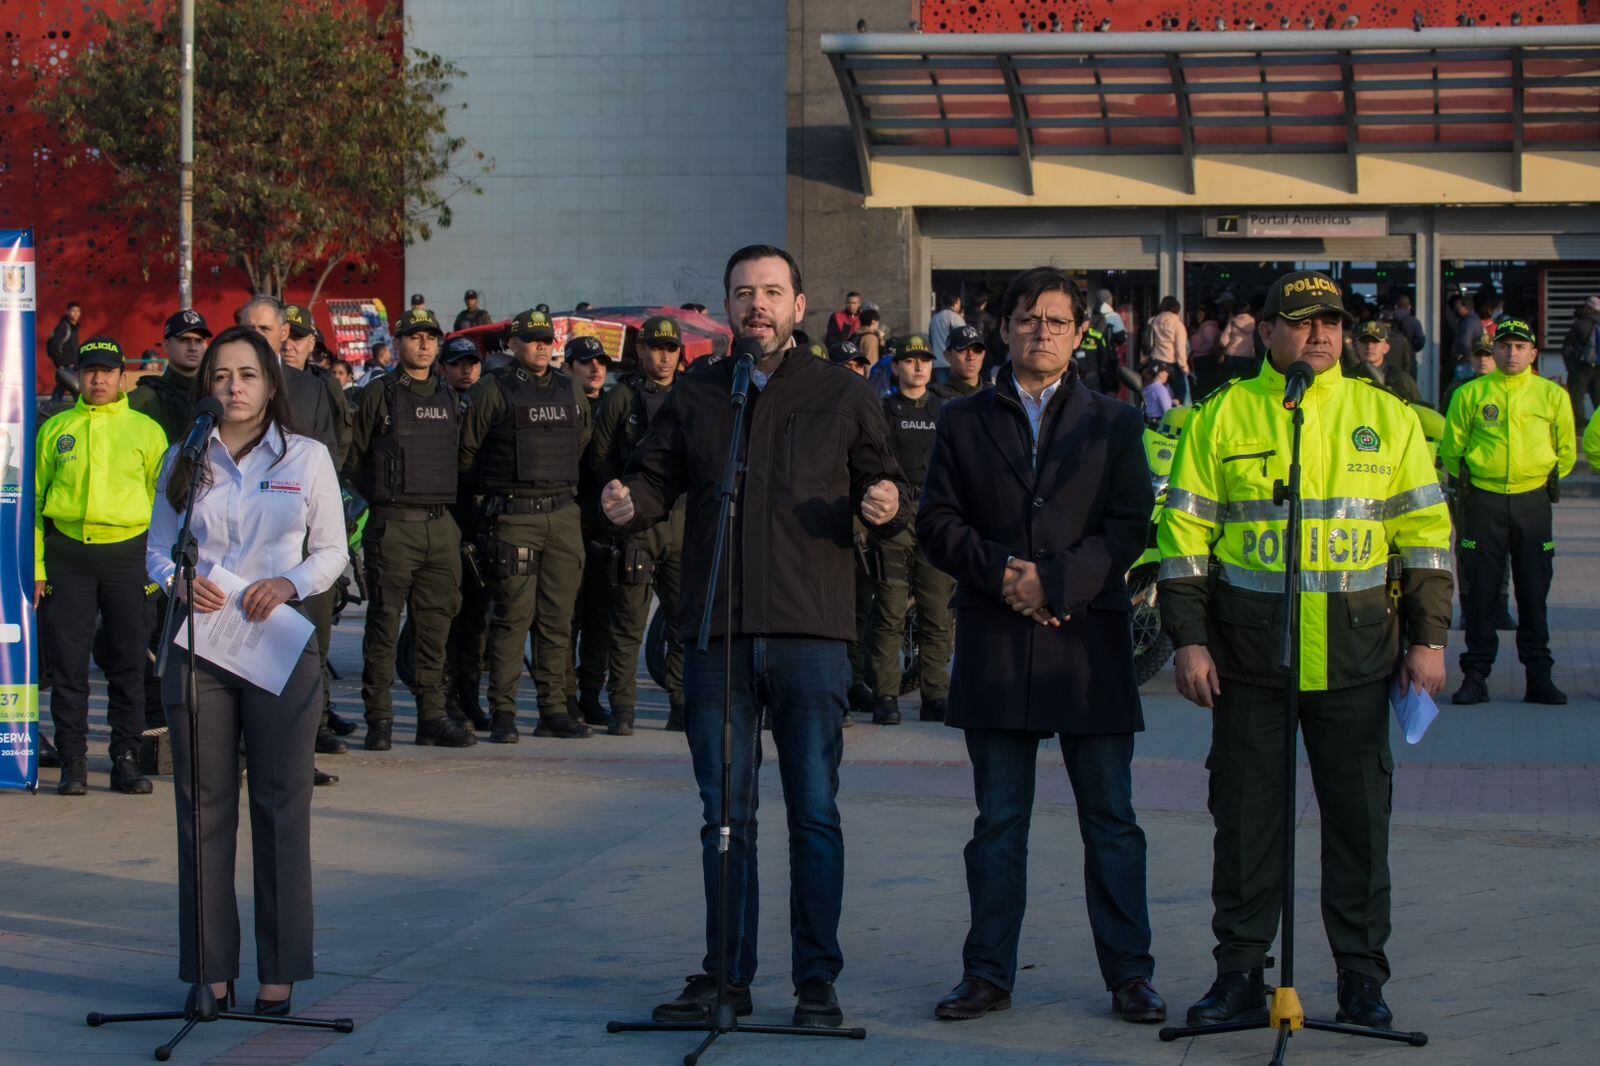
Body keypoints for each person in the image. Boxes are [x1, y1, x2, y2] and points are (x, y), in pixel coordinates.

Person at [599, 244, 908, 1029]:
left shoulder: (844, 392)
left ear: (800, 306)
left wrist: (885, 502)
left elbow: (890, 479)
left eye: (772, 292)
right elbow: (657, 479)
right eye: (743, 294)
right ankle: (726, 978)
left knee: (814, 812)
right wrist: (627, 499)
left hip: (812, 633)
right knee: (725, 816)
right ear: (728, 308)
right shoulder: (704, 393)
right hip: (718, 634)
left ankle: (816, 984)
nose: (757, 305)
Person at [1158, 269, 1452, 1032]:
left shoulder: (1385, 418)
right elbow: (1184, 542)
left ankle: (1360, 978)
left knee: (1359, 828)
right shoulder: (1222, 416)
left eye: (1331, 322)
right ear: (1266, 331)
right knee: (1247, 827)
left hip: (1357, 663)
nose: (1320, 335)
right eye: (1302, 322)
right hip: (1249, 664)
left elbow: (1425, 538)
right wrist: (1188, 642)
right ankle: (1239, 975)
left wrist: (1429, 640)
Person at [917, 266, 1163, 1025]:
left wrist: (1057, 584)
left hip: (1087, 644)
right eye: (1028, 319)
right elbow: (937, 523)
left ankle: (1130, 973)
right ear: (1006, 327)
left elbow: (1130, 527)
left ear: (1081, 334)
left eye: (1057, 321)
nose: (1042, 332)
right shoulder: (962, 419)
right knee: (998, 823)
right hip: (998, 640)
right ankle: (987, 972)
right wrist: (1007, 577)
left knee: (1111, 819)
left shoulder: (1115, 423)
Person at [147, 325, 346, 1016]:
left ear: (271, 384)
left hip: (280, 646)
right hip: (200, 644)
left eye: (248, 375)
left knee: (280, 803)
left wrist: (288, 584)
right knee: (202, 807)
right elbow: (156, 548)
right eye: (222, 375)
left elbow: (331, 551)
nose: (233, 386)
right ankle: (210, 971)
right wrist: (181, 583)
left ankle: (280, 971)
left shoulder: (306, 456)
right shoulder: (185, 453)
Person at [35, 337, 167, 796]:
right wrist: (38, 566)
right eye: (90, 370)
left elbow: (163, 502)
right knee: (69, 667)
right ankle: (72, 760)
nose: (98, 379)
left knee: (128, 664)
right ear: (79, 376)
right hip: (67, 555)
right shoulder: (56, 427)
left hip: (127, 556)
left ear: (122, 378)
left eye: (107, 371)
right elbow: (34, 502)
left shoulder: (146, 431)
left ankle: (125, 759)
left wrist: (156, 566)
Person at [459, 307, 594, 742]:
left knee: (558, 620)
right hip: (514, 517)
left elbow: (581, 439)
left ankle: (553, 710)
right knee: (513, 618)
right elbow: (466, 455)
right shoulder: (491, 390)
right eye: (531, 339)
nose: (541, 346)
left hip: (561, 514)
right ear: (513, 345)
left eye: (546, 339)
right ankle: (503, 713)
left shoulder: (569, 388)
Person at [346, 306, 476, 750]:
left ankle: (431, 717)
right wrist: (385, 498)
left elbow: (459, 460)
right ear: (398, 343)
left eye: (430, 337)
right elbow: (353, 460)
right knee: (384, 624)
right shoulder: (379, 395)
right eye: (414, 336)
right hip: (394, 526)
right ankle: (379, 719)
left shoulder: (451, 398)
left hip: (440, 526)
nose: (423, 343)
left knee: (435, 627)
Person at [1440, 317, 1576, 706]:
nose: (1511, 352)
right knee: (1481, 592)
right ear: (1494, 349)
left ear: (1534, 353)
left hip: (1532, 503)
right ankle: (1475, 676)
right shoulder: (1471, 393)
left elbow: (1565, 450)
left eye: (1520, 347)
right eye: (1504, 345)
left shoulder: (1551, 396)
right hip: (1483, 502)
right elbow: (1453, 447)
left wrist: (1535, 476)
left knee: (1534, 592)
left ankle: (1539, 677)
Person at [245, 298, 354, 764]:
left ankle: (302, 745)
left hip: (303, 542)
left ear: (283, 335)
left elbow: (330, 454)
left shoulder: (310, 389)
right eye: (247, 327)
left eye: (265, 328)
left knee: (307, 642)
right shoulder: (220, 386)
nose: (256, 335)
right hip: (245, 543)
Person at [586, 316, 686, 735]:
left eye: (671, 349)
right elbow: (599, 456)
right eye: (655, 349)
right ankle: (622, 708)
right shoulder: (621, 398)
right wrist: (617, 499)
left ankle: (681, 703)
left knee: (684, 620)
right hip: (635, 527)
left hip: (682, 524)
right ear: (640, 352)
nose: (663, 357)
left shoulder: (692, 395)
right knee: (628, 623)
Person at [864, 337, 953, 725]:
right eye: (910, 360)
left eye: (924, 360)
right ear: (895, 366)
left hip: (935, 518)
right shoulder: (882, 410)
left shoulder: (946, 410)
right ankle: (885, 695)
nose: (918, 367)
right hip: (895, 520)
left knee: (937, 614)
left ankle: (936, 695)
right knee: (890, 613)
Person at [564, 335, 618, 730]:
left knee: (600, 616)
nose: (596, 369)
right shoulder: (558, 402)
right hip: (567, 519)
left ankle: (590, 694)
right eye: (586, 362)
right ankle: (563, 697)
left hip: (604, 524)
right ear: (568, 367)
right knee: (565, 617)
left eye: (600, 362)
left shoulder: (616, 405)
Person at [1351, 321, 1423, 404]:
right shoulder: (1347, 378)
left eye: (1375, 341)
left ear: (1386, 347)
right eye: (1364, 341)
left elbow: (1418, 411)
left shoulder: (1402, 380)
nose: (1369, 346)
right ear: (1356, 346)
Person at [1559, 296, 1600, 426]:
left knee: (1576, 396)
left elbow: (1566, 347)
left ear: (1589, 308)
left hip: (1580, 367)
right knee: (1598, 397)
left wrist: (1568, 364)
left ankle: (1580, 425)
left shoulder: (1580, 325)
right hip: (1599, 368)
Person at [1147, 296, 1190, 402]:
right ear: (1177, 309)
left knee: (1157, 394)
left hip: (1156, 361)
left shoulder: (1153, 321)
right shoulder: (1178, 325)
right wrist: (1184, 367)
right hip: (1172, 364)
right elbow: (1180, 348)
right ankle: (1174, 411)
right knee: (1180, 393)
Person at [934, 325, 990, 398]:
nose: (971, 357)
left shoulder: (996, 396)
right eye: (962, 350)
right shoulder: (935, 398)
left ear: (983, 355)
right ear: (947, 356)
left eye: (977, 350)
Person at [46, 301, 83, 402]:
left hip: (72, 366)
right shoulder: (64, 327)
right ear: (67, 312)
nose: (76, 313)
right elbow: (53, 347)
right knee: (76, 390)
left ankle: (52, 406)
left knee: (61, 387)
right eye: (73, 310)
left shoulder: (74, 328)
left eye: (78, 311)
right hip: (66, 366)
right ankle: (82, 409)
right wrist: (61, 363)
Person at [1216, 300, 1258, 383]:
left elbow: (1223, 341)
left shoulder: (1232, 321)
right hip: (1248, 357)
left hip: (1231, 356)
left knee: (1227, 383)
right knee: (1245, 383)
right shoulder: (1254, 322)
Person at [929, 290, 965, 364]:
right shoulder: (956, 318)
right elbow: (963, 339)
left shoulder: (934, 318)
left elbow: (930, 340)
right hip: (953, 361)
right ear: (957, 301)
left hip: (937, 361)